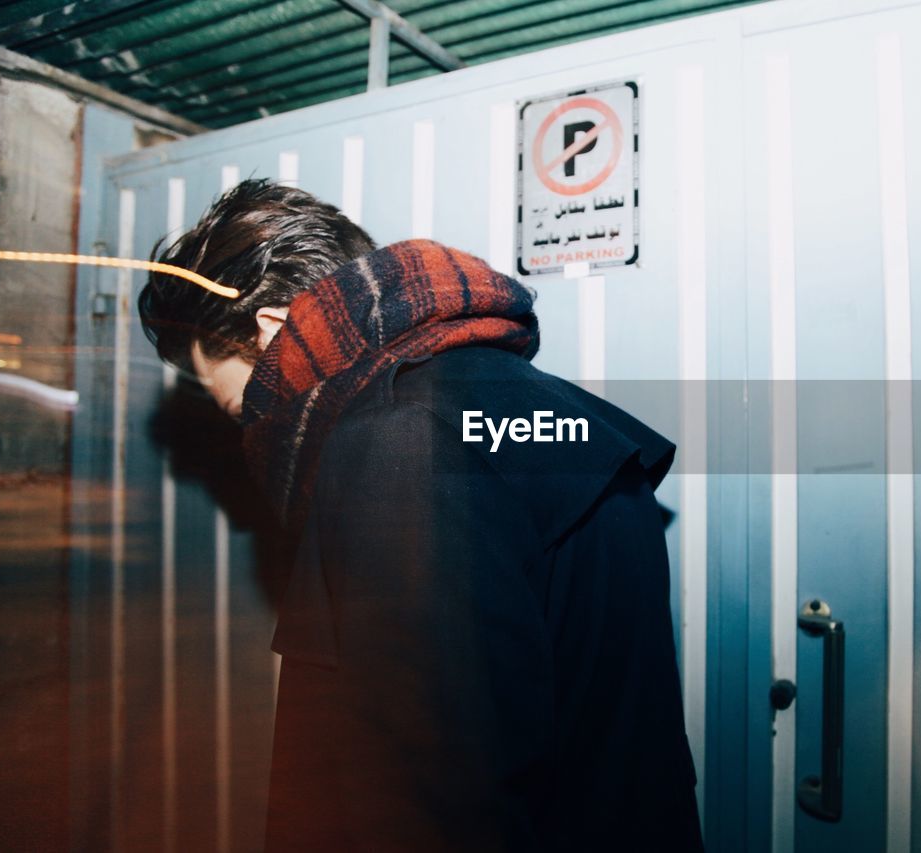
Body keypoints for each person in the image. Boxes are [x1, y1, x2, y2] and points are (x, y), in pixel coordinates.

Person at [137, 178, 703, 852]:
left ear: (271, 331)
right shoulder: (555, 411)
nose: (252, 428)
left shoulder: (393, 440)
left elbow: (428, 794)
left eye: (240, 406)